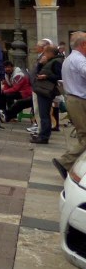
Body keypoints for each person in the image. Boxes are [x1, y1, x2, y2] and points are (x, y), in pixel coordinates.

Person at [53, 32, 86, 180]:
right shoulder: (79, 60)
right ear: (83, 44)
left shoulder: (70, 58)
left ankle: (75, 166)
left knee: (83, 136)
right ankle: (64, 162)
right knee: (85, 137)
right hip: (79, 101)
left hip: (74, 99)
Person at [30, 43, 63, 144]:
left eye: (45, 53)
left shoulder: (56, 62)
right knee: (43, 113)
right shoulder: (50, 61)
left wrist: (46, 77)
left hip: (47, 89)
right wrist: (41, 64)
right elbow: (38, 72)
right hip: (42, 89)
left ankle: (44, 136)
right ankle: (42, 134)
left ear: (50, 53)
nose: (44, 55)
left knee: (44, 114)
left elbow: (59, 76)